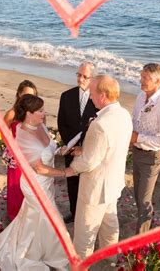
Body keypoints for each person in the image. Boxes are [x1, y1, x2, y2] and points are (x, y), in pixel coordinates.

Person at [0, 94, 69, 270]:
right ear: (28, 113)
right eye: (40, 110)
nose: (44, 113)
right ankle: (53, 257)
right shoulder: (23, 135)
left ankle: (42, 251)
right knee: (53, 220)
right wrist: (66, 172)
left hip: (47, 184)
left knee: (35, 219)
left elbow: (49, 149)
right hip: (35, 186)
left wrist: (62, 150)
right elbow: (40, 168)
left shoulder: (40, 125)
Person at [64, 75, 132, 259]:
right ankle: (111, 260)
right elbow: (109, 147)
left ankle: (81, 264)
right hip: (113, 182)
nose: (90, 97)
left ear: (103, 96)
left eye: (92, 93)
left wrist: (70, 169)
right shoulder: (124, 115)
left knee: (84, 233)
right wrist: (84, 148)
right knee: (110, 224)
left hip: (95, 188)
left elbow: (89, 162)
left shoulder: (100, 124)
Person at [130, 63, 160, 234]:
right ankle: (143, 227)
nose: (141, 81)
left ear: (158, 82)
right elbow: (135, 122)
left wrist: (138, 138)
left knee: (143, 199)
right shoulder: (140, 96)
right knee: (137, 195)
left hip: (151, 157)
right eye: (141, 76)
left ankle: (141, 238)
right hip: (136, 152)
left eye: (146, 78)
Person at [57, 62, 98, 223]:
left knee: (89, 184)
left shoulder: (98, 98)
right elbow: (62, 123)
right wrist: (71, 145)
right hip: (71, 148)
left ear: (92, 78)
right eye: (78, 75)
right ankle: (74, 213)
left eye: (85, 76)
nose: (81, 79)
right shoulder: (66, 96)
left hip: (89, 150)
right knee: (72, 182)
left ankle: (86, 214)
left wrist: (84, 147)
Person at [3, 80, 38, 221]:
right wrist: (14, 148)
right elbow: (4, 133)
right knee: (16, 190)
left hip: (33, 158)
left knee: (31, 190)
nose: (29, 99)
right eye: (26, 95)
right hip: (17, 159)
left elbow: (41, 135)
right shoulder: (12, 113)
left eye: (32, 95)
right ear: (19, 94)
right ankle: (14, 219)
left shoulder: (38, 113)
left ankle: (29, 219)